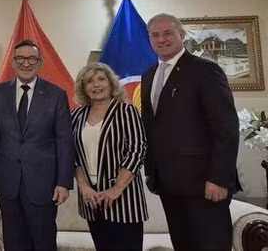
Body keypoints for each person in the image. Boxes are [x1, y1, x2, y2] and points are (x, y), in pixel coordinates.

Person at [142, 13, 241, 251]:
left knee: (212, 245)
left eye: (168, 33)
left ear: (181, 35)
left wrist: (218, 178)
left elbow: (225, 128)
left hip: (204, 184)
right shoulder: (149, 75)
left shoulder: (205, 70)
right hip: (167, 182)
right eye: (155, 35)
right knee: (183, 245)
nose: (161, 39)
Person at [0, 40, 73, 251]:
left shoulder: (56, 94)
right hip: (9, 185)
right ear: (13, 63)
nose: (26, 63)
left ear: (40, 63)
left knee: (43, 242)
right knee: (14, 243)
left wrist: (63, 182)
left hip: (43, 185)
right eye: (20, 58)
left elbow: (64, 142)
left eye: (32, 58)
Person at [71, 62, 148, 251]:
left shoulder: (126, 112)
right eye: (89, 81)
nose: (96, 85)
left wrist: (116, 189)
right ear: (83, 88)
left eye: (101, 79)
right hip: (92, 199)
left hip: (124, 199)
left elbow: (137, 150)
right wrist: (84, 188)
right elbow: (72, 155)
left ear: (111, 83)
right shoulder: (76, 116)